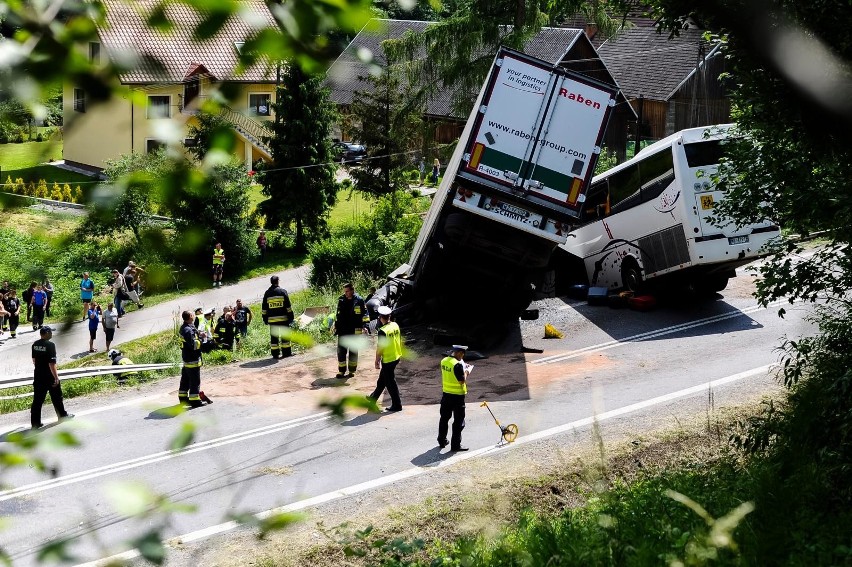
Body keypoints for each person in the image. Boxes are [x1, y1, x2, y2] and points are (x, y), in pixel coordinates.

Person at [31, 325, 74, 429]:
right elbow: (52, 363)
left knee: (37, 400)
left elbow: (34, 360)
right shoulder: (50, 345)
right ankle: (62, 416)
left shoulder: (35, 344)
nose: (51, 334)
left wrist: (39, 369)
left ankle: (35, 423)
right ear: (46, 334)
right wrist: (56, 377)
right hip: (49, 376)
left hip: (38, 376)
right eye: (50, 332)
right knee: (57, 397)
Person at [438, 345, 471, 452]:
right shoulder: (457, 365)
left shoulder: (444, 361)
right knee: (458, 421)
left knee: (444, 418)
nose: (463, 356)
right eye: (462, 354)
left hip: (446, 394)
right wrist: (467, 371)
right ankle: (455, 445)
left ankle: (442, 440)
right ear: (458, 353)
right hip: (457, 397)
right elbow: (461, 381)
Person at [370, 306, 403, 412]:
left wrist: (377, 360)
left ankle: (397, 405)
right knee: (382, 380)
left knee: (390, 383)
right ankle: (372, 398)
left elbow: (380, 347)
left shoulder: (382, 331)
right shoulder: (395, 325)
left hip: (388, 359)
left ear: (380, 318)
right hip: (396, 356)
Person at [334, 282, 369, 379]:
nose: (345, 293)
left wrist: (365, 326)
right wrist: (336, 325)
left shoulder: (359, 300)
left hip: (355, 329)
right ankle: (341, 371)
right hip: (343, 330)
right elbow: (338, 314)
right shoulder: (341, 300)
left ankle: (352, 370)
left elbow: (365, 314)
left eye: (347, 291)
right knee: (341, 351)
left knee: (353, 350)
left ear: (352, 290)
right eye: (344, 291)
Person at [261, 275, 294, 359]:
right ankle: (286, 353)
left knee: (274, 338)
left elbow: (264, 308)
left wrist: (265, 318)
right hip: (283, 319)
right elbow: (288, 307)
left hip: (272, 321)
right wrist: (291, 316)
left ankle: (275, 354)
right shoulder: (282, 292)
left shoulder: (267, 293)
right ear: (278, 281)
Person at [178, 310, 204, 408]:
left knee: (185, 379)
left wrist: (199, 334)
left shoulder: (184, 328)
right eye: (192, 315)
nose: (194, 316)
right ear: (189, 317)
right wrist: (202, 340)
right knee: (194, 381)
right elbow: (194, 345)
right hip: (192, 359)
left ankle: (183, 399)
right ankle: (195, 401)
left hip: (186, 358)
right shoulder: (188, 330)